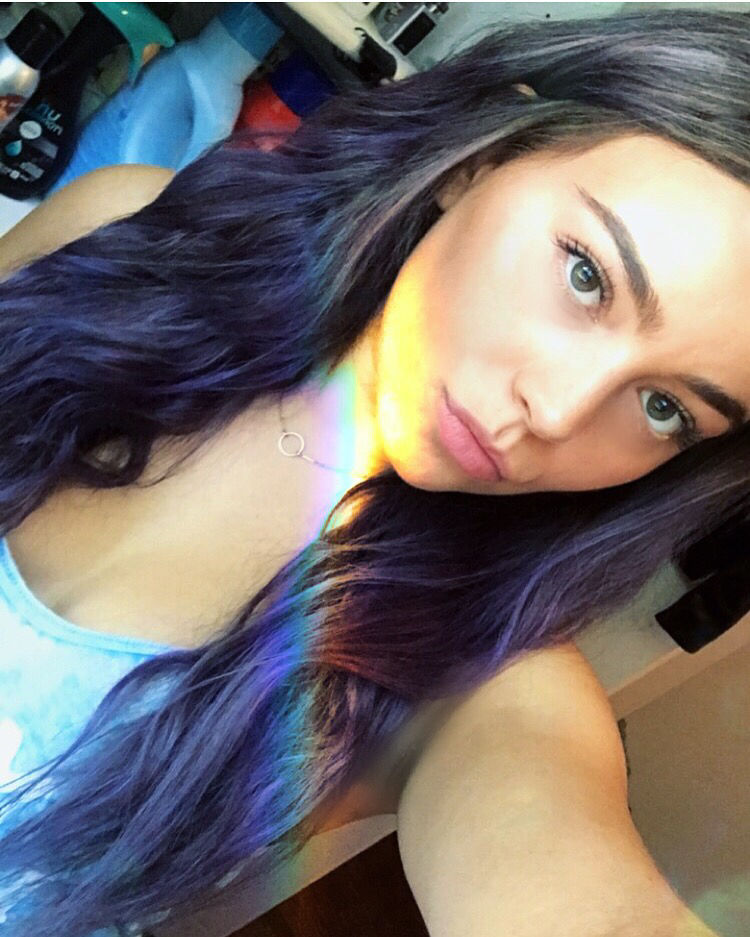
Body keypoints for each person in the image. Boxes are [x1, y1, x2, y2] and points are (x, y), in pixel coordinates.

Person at [0, 7, 747, 937]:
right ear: (485, 153)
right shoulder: (120, 235)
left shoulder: (476, 677)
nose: (557, 411)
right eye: (587, 275)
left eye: (666, 407)